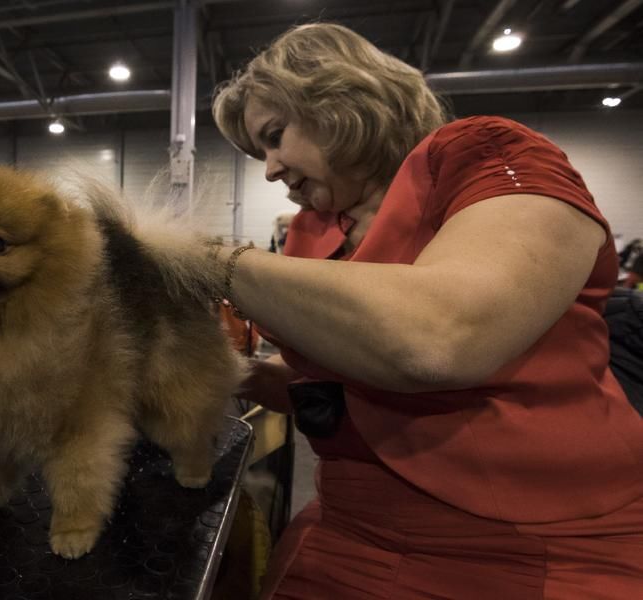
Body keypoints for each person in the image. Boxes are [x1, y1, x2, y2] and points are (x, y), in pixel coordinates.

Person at [210, 22, 643, 599]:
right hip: (351, 527)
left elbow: (440, 341)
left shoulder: (483, 155)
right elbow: (346, 392)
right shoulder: (313, 232)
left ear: (338, 100)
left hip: (530, 543)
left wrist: (205, 261)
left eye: (275, 134)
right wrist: (227, 376)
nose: (268, 169)